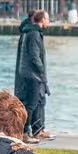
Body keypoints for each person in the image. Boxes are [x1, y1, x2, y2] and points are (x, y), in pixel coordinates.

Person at [14, 9, 51, 143]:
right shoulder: (33, 34)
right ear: (42, 20)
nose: (49, 22)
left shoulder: (33, 33)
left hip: (31, 75)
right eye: (47, 19)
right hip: (32, 76)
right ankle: (25, 133)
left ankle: (35, 131)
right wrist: (41, 71)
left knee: (34, 103)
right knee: (30, 105)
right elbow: (35, 57)